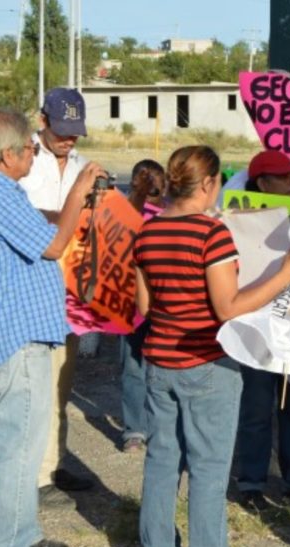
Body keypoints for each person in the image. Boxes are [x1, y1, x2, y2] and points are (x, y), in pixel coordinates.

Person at [133, 145, 290, 547]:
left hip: (159, 360)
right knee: (208, 475)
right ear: (209, 183)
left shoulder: (148, 233)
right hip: (208, 363)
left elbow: (143, 305)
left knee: (160, 466)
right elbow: (228, 307)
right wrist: (285, 276)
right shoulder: (211, 235)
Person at [0, 108, 103, 547]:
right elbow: (54, 247)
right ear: (8, 153)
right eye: (29, 148)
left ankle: (22, 532)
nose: (33, 154)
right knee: (16, 447)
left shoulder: (4, 192)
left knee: (27, 441)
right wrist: (79, 194)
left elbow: (43, 238)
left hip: (23, 335)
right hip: (10, 339)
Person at [235, 149, 290, 511]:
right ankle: (252, 482)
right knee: (256, 409)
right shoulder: (240, 220)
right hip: (257, 330)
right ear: (261, 183)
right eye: (282, 177)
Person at [19, 87, 95, 503]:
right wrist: (68, 214)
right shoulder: (22, 159)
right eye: (62, 130)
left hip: (69, 292)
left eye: (75, 132)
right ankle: (37, 477)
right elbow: (16, 214)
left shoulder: (81, 165)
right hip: (31, 285)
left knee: (61, 383)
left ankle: (54, 462)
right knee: (36, 386)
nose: (69, 140)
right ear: (43, 120)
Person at [119, 159, 166, 454]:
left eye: (156, 181)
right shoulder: (123, 212)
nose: (150, 186)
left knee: (161, 369)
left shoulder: (172, 214)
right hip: (129, 307)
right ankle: (134, 430)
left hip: (163, 304)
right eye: (142, 180)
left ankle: (161, 427)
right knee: (133, 367)